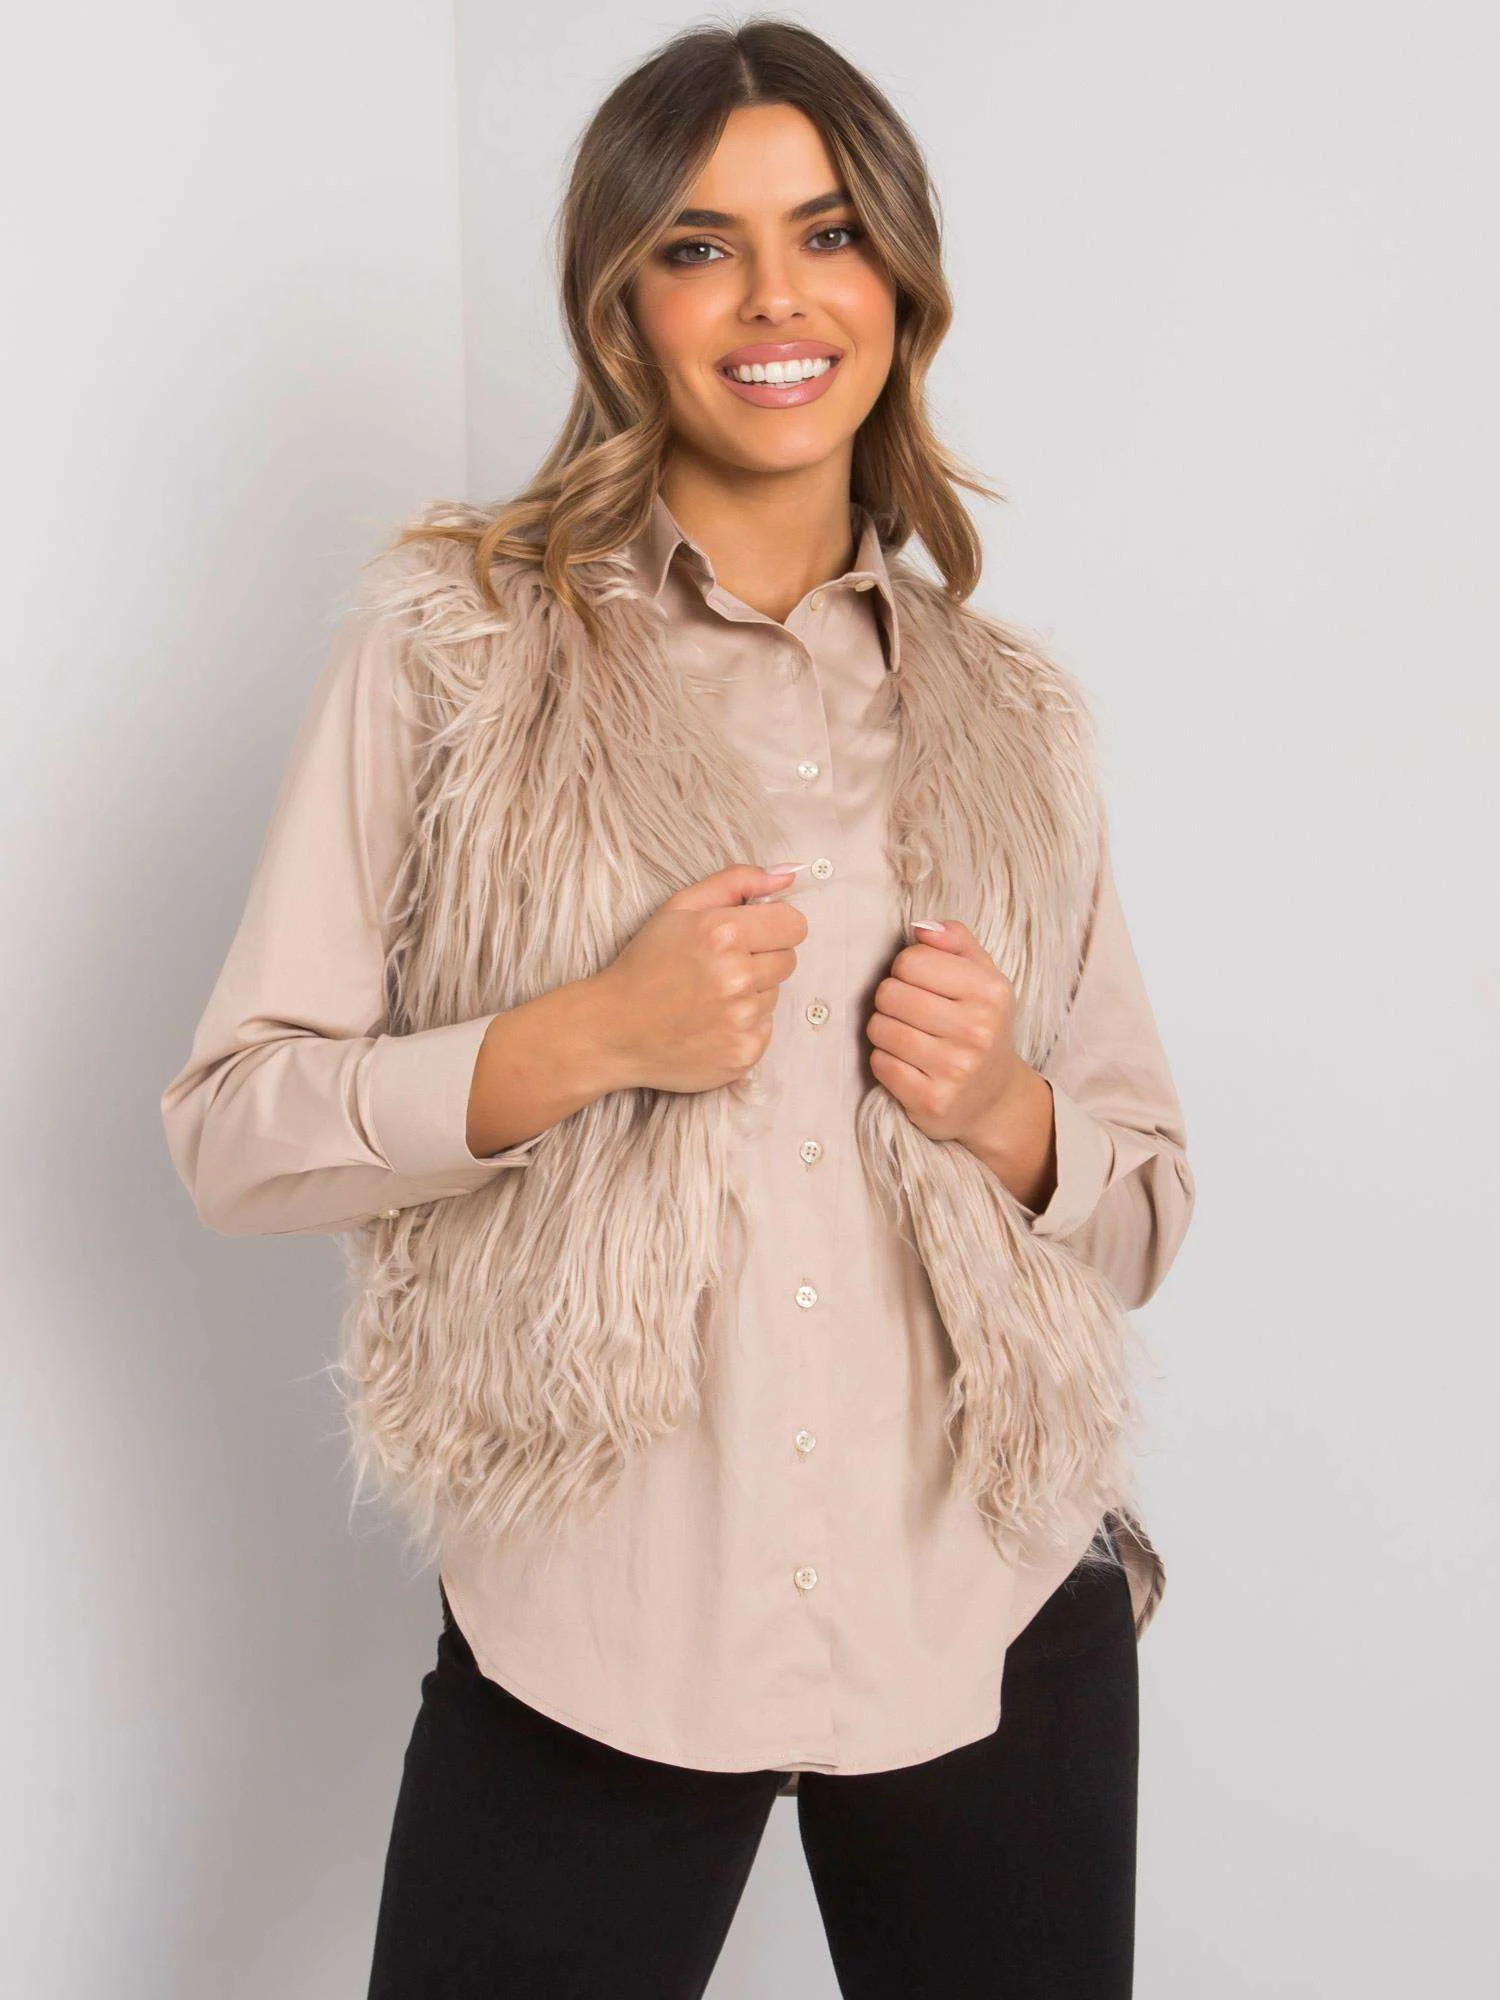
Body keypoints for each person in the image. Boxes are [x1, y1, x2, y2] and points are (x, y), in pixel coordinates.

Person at [161, 19, 1195, 1997]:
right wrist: (581, 1040)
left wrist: (1005, 1107)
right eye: (700, 245)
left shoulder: (1015, 717)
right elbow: (232, 1129)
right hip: (596, 1623)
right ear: (619, 301)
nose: (776, 296)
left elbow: (1144, 1203)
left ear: (902, 282)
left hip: (991, 1611)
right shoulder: (456, 654)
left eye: (829, 233)